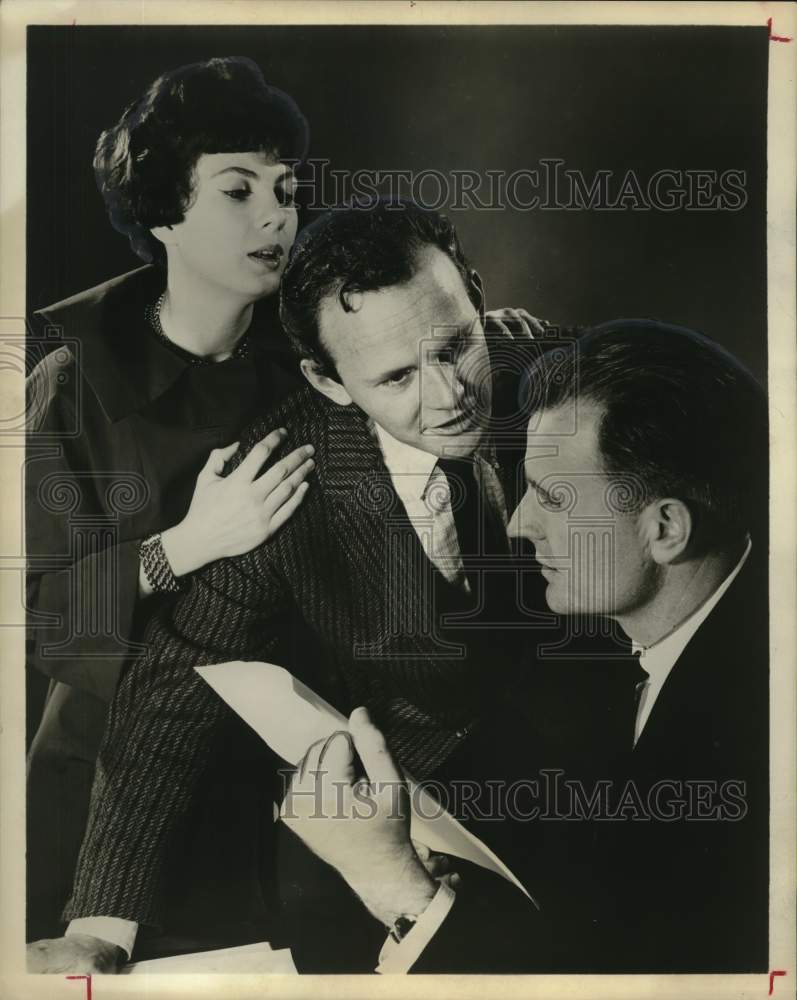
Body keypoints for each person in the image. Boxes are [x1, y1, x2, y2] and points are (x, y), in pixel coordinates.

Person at [27, 200, 549, 973]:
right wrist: (103, 926)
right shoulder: (277, 475)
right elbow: (174, 686)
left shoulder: (560, 385)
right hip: (401, 833)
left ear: (475, 295)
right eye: (397, 377)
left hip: (596, 783)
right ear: (327, 382)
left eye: (455, 346)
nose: (448, 397)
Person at [279, 319, 769, 973]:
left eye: (551, 499)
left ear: (665, 528)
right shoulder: (613, 644)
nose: (517, 526)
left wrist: (395, 888)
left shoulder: (755, 745)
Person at [25, 57, 314, 948]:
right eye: (238, 190)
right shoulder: (73, 383)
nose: (276, 213)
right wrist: (186, 544)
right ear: (164, 216)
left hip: (279, 789)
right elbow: (36, 620)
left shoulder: (311, 362)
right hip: (103, 781)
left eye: (286, 187)